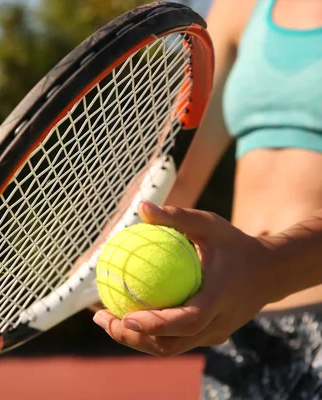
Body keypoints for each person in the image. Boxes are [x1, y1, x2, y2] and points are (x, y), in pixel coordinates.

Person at [91, 0, 322, 398]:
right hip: (238, 326)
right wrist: (116, 244)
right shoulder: (240, 7)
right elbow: (176, 173)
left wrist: (270, 266)